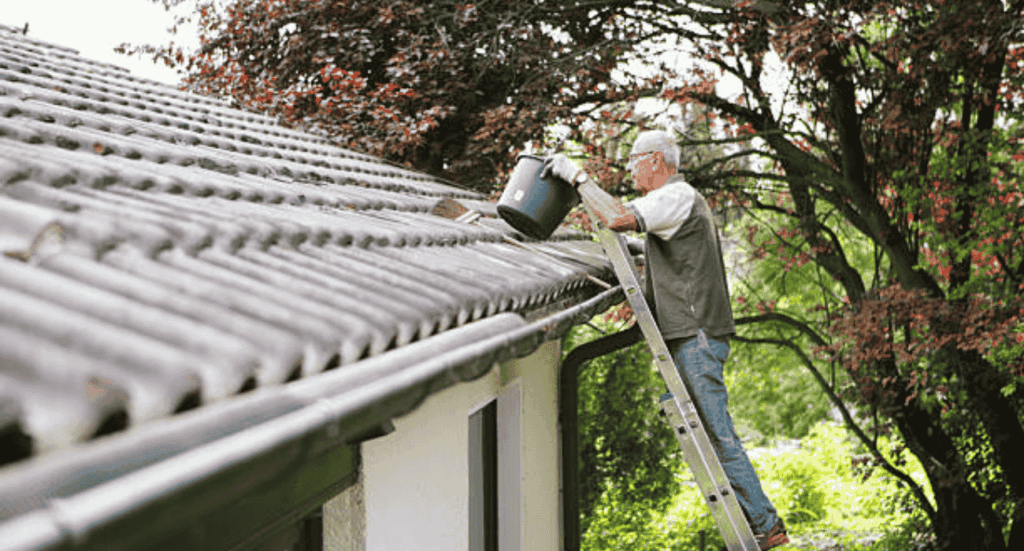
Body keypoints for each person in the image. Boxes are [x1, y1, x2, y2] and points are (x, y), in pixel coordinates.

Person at [542, 130, 790, 551]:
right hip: (694, 335)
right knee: (712, 436)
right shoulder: (678, 203)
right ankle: (763, 523)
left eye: (635, 161)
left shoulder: (675, 195)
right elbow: (663, 244)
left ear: (656, 161)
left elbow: (617, 216)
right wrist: (640, 249)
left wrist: (578, 177)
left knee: (717, 437)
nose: (631, 169)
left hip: (695, 335)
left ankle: (766, 525)